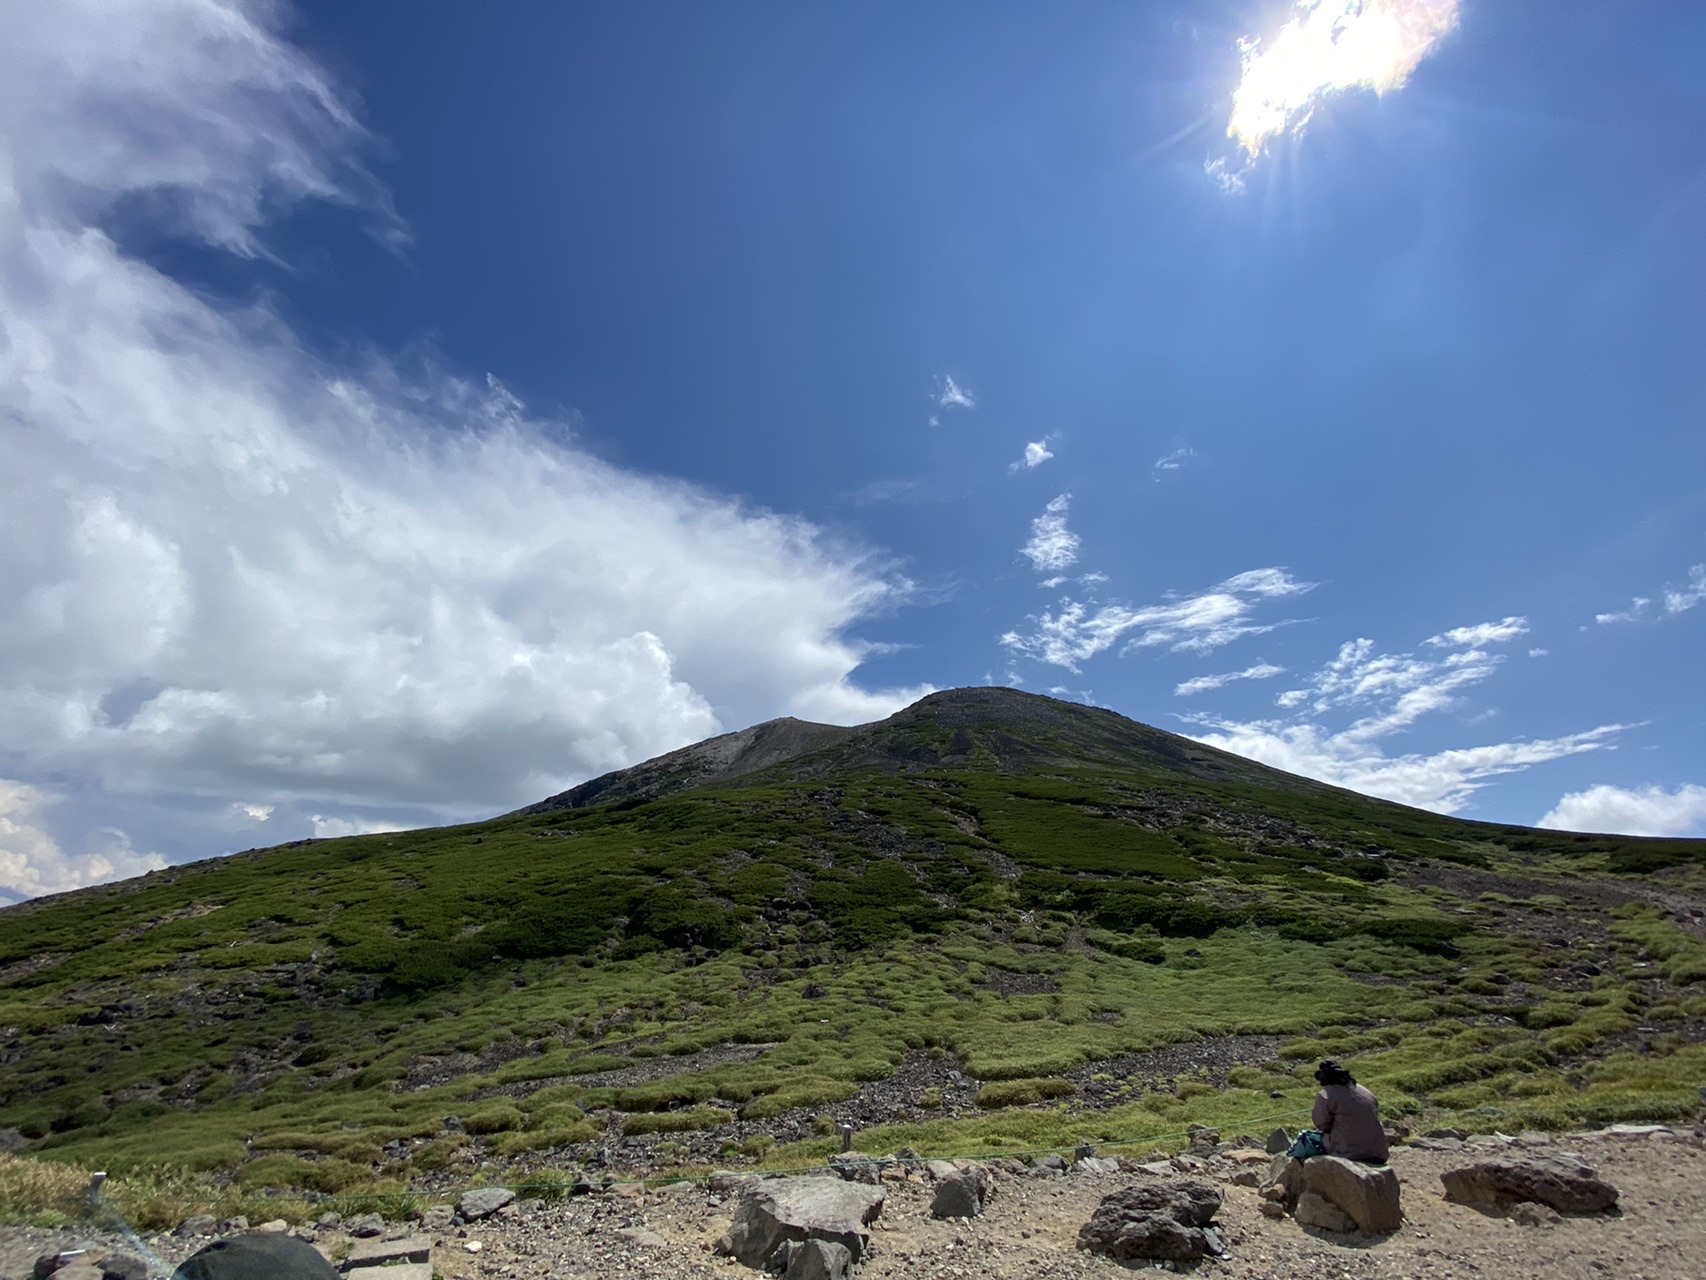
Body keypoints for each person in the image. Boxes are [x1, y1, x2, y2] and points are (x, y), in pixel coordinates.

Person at [1310, 1058, 1388, 1163]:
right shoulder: (1364, 1091)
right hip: (1379, 1151)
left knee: (1319, 1140)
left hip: (1350, 1152)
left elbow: (1321, 1123)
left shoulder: (1325, 1094)